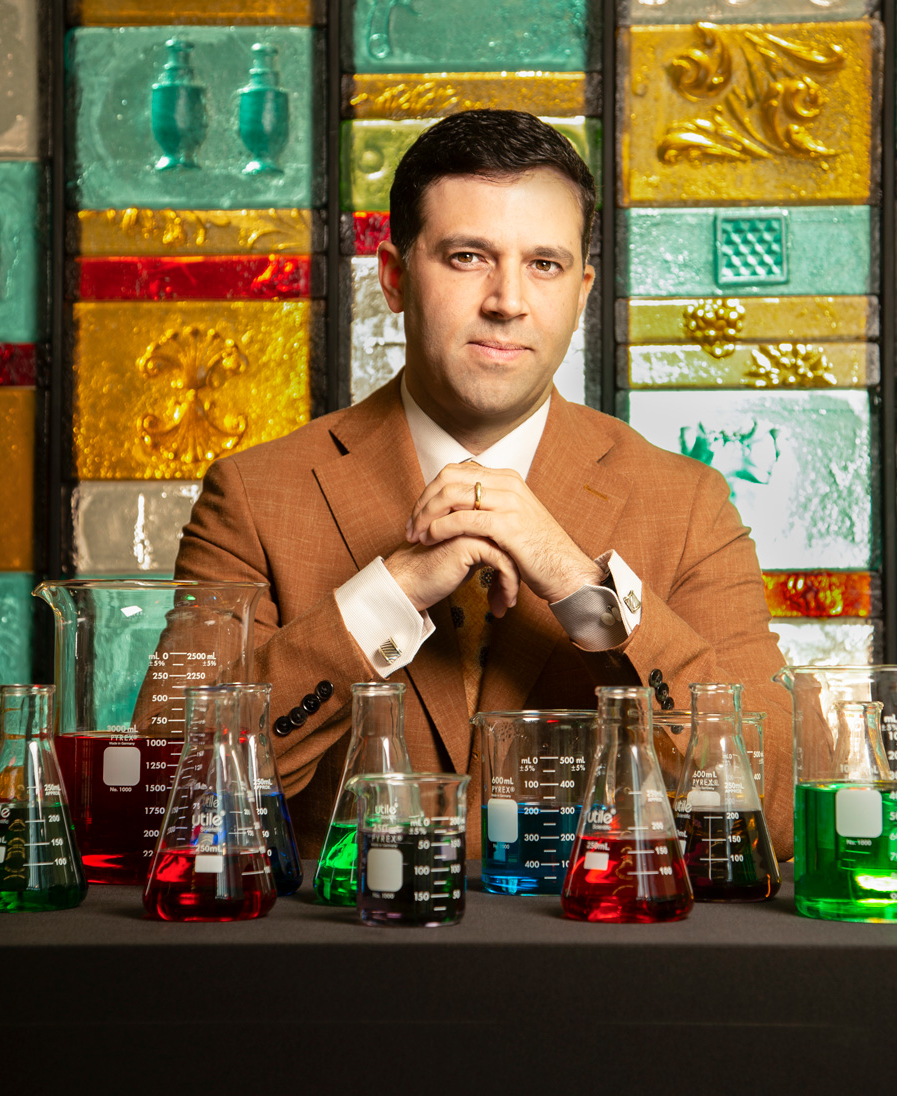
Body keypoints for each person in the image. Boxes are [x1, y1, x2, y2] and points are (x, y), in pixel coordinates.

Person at [174, 109, 795, 860]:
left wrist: (583, 587)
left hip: (592, 961)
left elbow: (778, 805)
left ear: (582, 290)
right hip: (347, 963)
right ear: (396, 279)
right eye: (468, 256)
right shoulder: (253, 494)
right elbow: (168, 788)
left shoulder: (689, 503)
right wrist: (387, 595)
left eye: (545, 264)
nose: (507, 300)